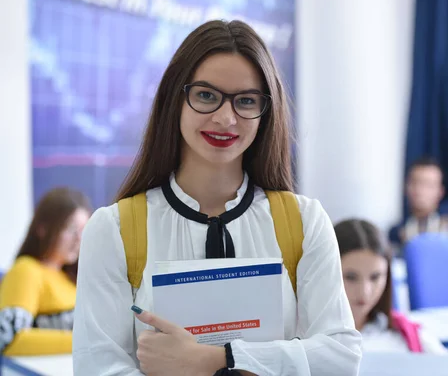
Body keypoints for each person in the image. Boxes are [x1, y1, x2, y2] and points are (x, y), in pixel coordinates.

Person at [72, 20, 361, 376]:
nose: (226, 118)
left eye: (246, 101)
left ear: (265, 112)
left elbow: (341, 357)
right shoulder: (113, 230)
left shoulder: (304, 221)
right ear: (175, 99)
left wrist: (219, 359)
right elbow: (98, 367)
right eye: (206, 95)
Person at [335, 218, 448, 376]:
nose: (365, 291)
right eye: (350, 277)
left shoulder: (407, 334)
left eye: (375, 277)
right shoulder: (312, 341)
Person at [0, 187, 91, 355]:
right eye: (71, 229)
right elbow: (9, 338)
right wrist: (86, 342)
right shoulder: (26, 270)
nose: (78, 239)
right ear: (42, 228)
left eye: (83, 230)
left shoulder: (70, 276)